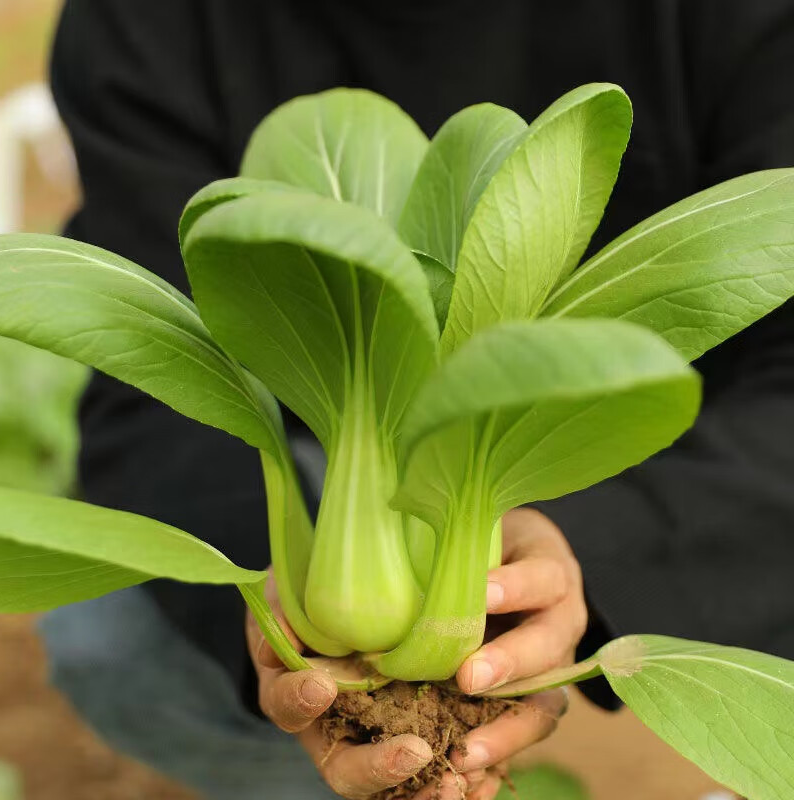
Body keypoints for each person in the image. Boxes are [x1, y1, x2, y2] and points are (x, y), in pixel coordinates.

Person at [40, 1, 794, 799]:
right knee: (111, 638)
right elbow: (145, 394)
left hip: (673, 469)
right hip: (319, 473)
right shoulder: (146, 22)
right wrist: (273, 624)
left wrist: (594, 553)